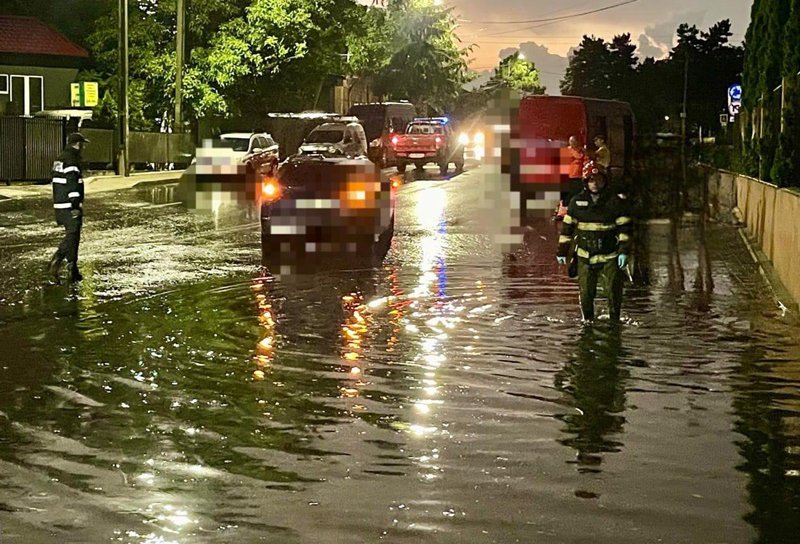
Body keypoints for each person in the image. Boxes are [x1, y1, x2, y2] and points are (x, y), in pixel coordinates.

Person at [556, 161, 632, 321]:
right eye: (591, 180)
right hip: (585, 256)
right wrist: (562, 251)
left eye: (598, 180)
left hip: (609, 256)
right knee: (586, 294)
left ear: (605, 181)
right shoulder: (576, 203)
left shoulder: (615, 202)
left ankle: (614, 323)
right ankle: (588, 323)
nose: (595, 184)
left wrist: (624, 252)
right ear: (585, 182)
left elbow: (625, 229)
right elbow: (567, 230)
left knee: (613, 293)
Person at [47, 132, 88, 283]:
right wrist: (75, 204)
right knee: (73, 236)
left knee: (72, 235)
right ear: (78, 144)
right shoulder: (71, 159)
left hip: (59, 203)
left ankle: (71, 268)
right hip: (69, 205)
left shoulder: (60, 158)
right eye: (82, 144)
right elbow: (72, 182)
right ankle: (61, 262)